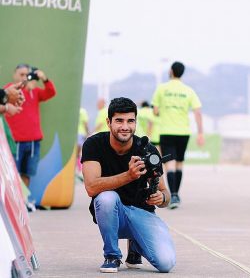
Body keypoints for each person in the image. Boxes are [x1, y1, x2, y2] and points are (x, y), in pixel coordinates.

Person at [81, 97, 175, 274]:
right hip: (112, 214)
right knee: (107, 197)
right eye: (119, 121)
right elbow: (91, 187)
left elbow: (166, 195)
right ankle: (112, 255)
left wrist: (161, 197)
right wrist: (129, 175)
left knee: (166, 263)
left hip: (141, 213)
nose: (125, 126)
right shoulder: (94, 145)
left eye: (130, 121)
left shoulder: (147, 150)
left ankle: (136, 246)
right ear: (108, 122)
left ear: (135, 122)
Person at [152, 61, 204, 209]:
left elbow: (155, 111)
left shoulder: (161, 89)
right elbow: (197, 111)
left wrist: (164, 111)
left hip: (166, 130)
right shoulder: (188, 90)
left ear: (171, 71)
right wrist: (200, 133)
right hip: (183, 132)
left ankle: (173, 194)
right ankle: (176, 194)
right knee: (180, 162)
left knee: (169, 164)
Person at [5, 64, 57, 188]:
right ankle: (14, 205)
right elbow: (6, 94)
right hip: (15, 141)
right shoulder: (10, 89)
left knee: (27, 174)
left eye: (26, 74)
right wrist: (24, 88)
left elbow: (51, 92)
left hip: (34, 141)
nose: (24, 77)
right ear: (14, 75)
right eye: (21, 74)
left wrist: (44, 78)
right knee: (13, 174)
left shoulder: (35, 91)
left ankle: (23, 203)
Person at [76, 107, 89, 174]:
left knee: (77, 153)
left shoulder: (76, 110)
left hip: (76, 134)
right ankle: (79, 169)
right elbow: (85, 123)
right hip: (81, 133)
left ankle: (79, 169)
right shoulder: (83, 111)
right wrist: (88, 133)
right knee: (79, 153)